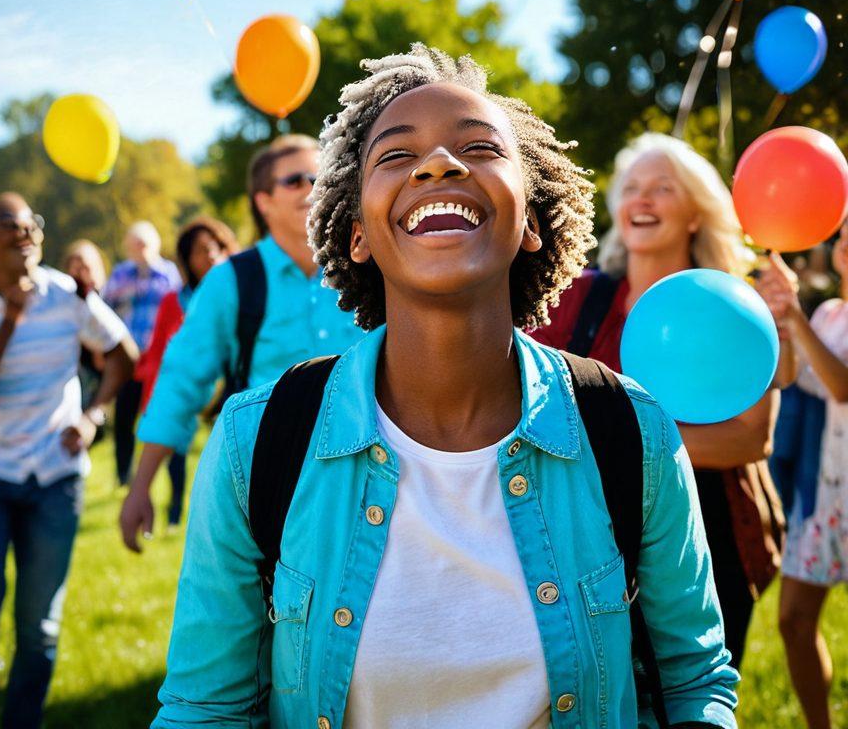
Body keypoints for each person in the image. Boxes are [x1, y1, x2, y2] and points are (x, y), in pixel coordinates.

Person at [152, 46, 738, 729]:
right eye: (396, 156)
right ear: (357, 234)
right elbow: (204, 710)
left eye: (480, 148)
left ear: (530, 223)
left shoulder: (631, 431)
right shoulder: (257, 442)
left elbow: (695, 679)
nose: (440, 165)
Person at [532, 131, 785, 670]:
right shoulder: (575, 296)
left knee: (691, 690)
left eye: (662, 189)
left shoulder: (735, 303)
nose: (640, 200)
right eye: (631, 188)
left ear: (696, 213)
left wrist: (618, 444)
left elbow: (750, 437)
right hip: (588, 530)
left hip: (708, 531)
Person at [119, 135, 363, 551]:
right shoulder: (232, 280)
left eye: (320, 176)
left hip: (364, 482)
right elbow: (182, 381)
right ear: (263, 201)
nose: (311, 188)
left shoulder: (368, 265)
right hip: (264, 484)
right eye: (296, 180)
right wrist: (142, 484)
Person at [0, 194, 136, 729]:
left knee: (40, 626)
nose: (26, 231)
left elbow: (123, 356)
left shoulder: (67, 295)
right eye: (8, 225)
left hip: (54, 476)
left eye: (32, 221)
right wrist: (10, 318)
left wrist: (94, 415)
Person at [758, 222, 848, 729]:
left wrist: (795, 313)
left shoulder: (821, 318)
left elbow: (841, 385)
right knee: (793, 621)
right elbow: (795, 377)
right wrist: (783, 325)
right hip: (823, 496)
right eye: (846, 234)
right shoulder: (831, 314)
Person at [136, 216, 238, 529]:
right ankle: (175, 510)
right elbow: (161, 353)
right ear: (186, 260)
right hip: (190, 392)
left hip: (233, 397)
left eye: (216, 247)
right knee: (177, 454)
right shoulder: (175, 301)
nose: (210, 256)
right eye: (200, 251)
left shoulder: (247, 291)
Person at [103, 221, 180, 486]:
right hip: (129, 360)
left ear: (155, 245)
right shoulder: (120, 275)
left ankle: (158, 476)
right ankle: (123, 475)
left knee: (160, 418)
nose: (140, 249)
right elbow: (104, 309)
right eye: (135, 244)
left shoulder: (170, 275)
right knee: (124, 419)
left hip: (160, 361)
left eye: (144, 243)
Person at [62, 239, 109, 419]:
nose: (81, 274)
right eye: (76, 269)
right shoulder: (66, 298)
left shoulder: (105, 297)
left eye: (86, 268)